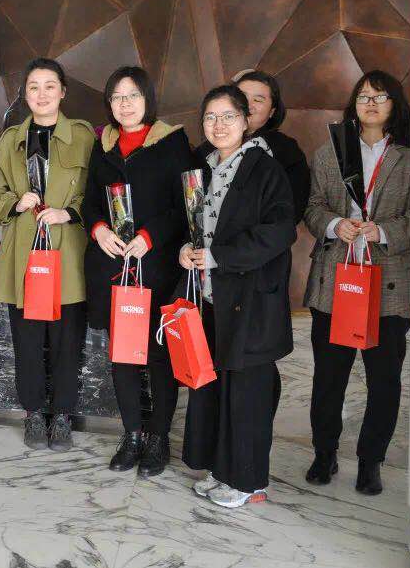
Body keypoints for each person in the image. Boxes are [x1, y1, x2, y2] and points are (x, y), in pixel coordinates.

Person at [179, 84, 296, 509]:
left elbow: (279, 232)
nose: (219, 124)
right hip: (213, 299)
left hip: (250, 300)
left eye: (228, 116)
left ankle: (248, 482)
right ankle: (221, 470)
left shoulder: (265, 168)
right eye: (210, 117)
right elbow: (197, 228)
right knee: (217, 390)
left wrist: (218, 256)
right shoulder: (204, 168)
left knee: (247, 394)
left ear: (247, 121)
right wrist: (187, 248)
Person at [303, 70, 410, 496]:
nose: (371, 103)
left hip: (388, 284)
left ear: (394, 105)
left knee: (384, 381)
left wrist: (381, 231)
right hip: (336, 279)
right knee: (328, 378)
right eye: (364, 96)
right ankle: (324, 453)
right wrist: (335, 225)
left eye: (380, 97)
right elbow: (312, 206)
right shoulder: (330, 152)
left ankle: (371, 461)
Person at [82, 66, 194, 476]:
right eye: (116, 97)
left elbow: (186, 205)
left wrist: (150, 236)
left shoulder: (172, 142)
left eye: (132, 95)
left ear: (147, 99)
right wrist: (97, 229)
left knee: (159, 355)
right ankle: (132, 434)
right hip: (114, 268)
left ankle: (158, 437)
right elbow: (89, 201)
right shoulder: (103, 145)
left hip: (158, 266)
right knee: (123, 354)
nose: (124, 104)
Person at [0, 58, 94, 451]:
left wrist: (70, 212)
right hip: (24, 255)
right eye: (33, 87)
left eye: (49, 86)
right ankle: (32, 414)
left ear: (63, 92)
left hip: (68, 254)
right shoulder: (11, 140)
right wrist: (14, 203)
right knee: (26, 342)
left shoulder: (84, 137)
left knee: (67, 342)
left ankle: (61, 415)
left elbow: (99, 190)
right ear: (24, 95)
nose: (41, 94)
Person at [194, 71, 309, 222]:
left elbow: (291, 212)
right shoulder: (207, 150)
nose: (248, 105)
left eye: (258, 100)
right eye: (241, 97)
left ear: (272, 112)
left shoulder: (286, 151)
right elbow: (191, 204)